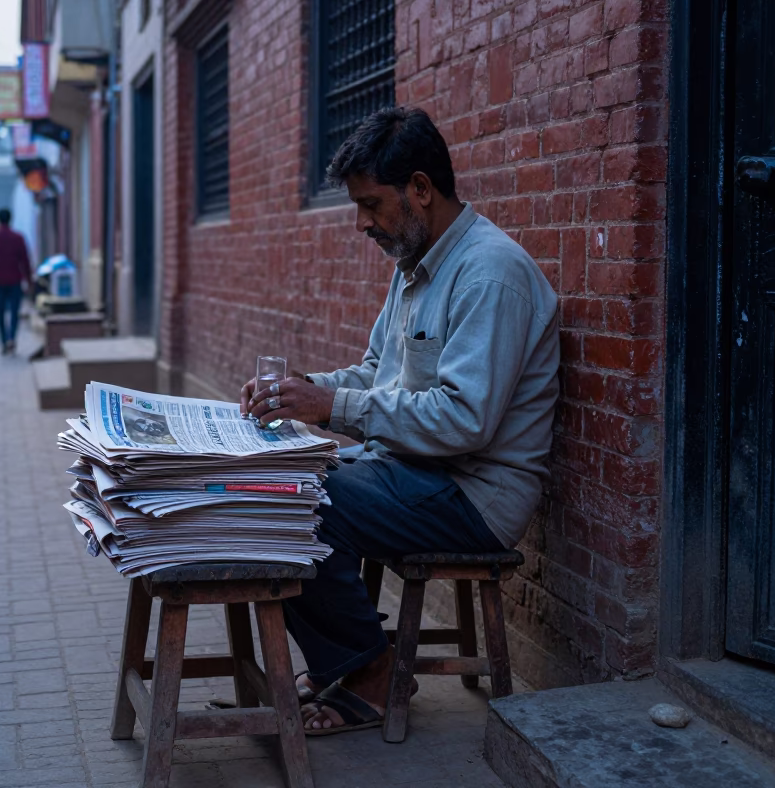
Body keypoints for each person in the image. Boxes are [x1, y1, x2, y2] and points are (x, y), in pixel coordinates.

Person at [240, 107, 560, 736]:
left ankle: (373, 673)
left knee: (303, 499)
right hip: (415, 474)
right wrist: (303, 391)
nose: (362, 223)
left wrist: (331, 409)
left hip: (473, 497)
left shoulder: (490, 273)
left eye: (371, 204)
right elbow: (375, 374)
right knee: (275, 478)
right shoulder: (413, 268)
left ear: (420, 188)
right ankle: (353, 659)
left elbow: (464, 421)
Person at [0, 208, 33, 355]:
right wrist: (29, 280)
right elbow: (25, 261)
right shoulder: (18, 238)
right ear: (11, 219)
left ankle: (3, 341)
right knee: (15, 311)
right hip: (15, 280)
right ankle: (12, 338)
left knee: (0, 312)